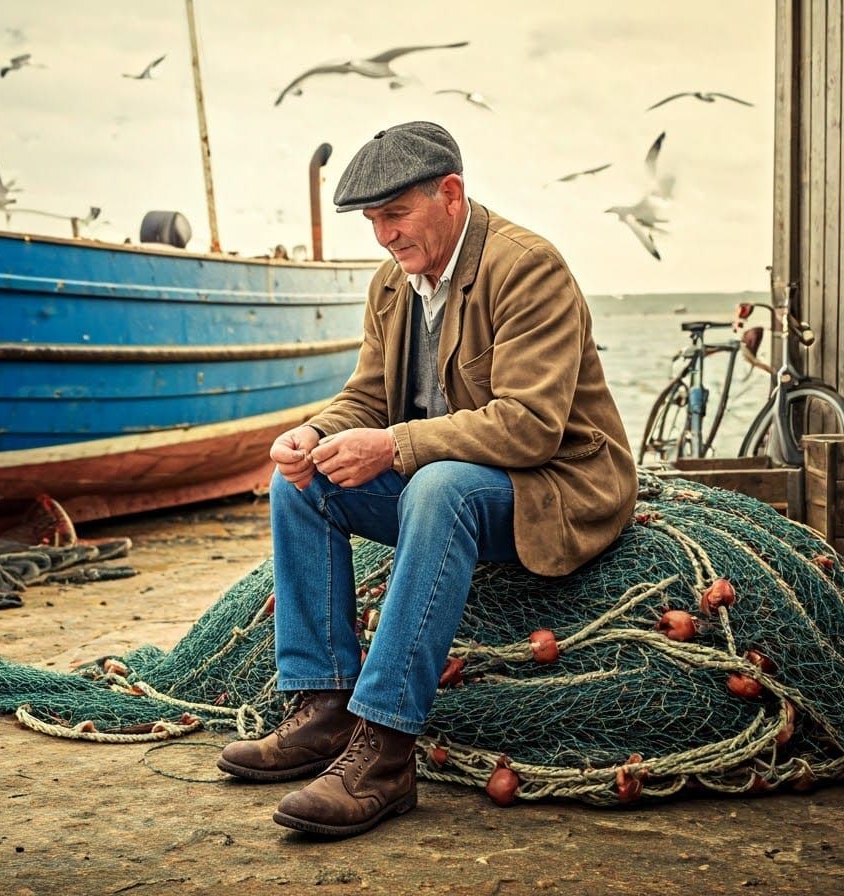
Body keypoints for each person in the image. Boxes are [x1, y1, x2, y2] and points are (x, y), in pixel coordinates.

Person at [217, 121, 637, 837]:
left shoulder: (528, 268)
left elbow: (531, 426)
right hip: (444, 482)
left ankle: (384, 752)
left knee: (437, 487)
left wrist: (393, 446)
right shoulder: (393, 283)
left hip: (554, 487)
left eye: (396, 214)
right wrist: (315, 434)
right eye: (372, 221)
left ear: (451, 193)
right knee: (301, 484)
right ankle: (323, 709)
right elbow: (367, 398)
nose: (384, 236)